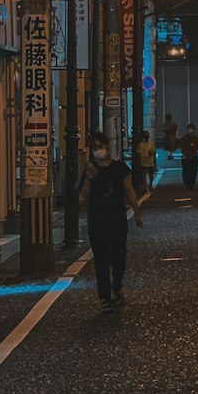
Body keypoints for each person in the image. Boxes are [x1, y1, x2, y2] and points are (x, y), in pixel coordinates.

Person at [80, 132, 142, 311]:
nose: (97, 150)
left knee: (118, 256)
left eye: (100, 146)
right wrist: (89, 179)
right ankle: (105, 298)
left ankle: (117, 283)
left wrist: (136, 212)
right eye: (94, 147)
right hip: (97, 220)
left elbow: (129, 190)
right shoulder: (90, 168)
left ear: (107, 146)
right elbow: (84, 195)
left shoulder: (120, 168)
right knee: (100, 259)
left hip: (117, 219)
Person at [180, 123, 198, 190]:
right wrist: (184, 154)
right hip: (187, 156)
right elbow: (182, 147)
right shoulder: (184, 138)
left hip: (193, 156)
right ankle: (187, 184)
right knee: (187, 171)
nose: (190, 130)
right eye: (189, 129)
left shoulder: (196, 138)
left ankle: (190, 184)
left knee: (192, 171)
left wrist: (194, 147)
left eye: (191, 129)